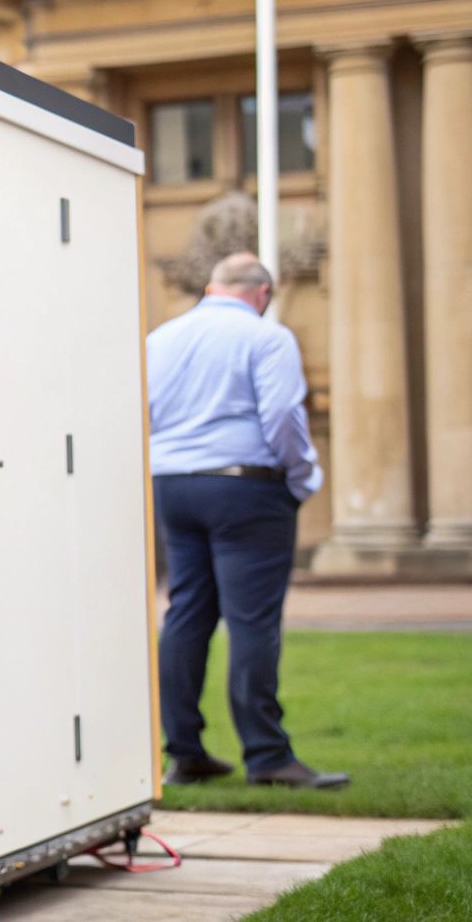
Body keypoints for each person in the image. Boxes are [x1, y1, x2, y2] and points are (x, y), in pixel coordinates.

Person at [147, 252, 347, 789]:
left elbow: (142, 411)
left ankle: (184, 751)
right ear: (263, 294)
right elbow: (282, 414)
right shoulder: (267, 337)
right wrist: (303, 477)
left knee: (186, 613)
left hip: (173, 484)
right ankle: (267, 755)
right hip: (245, 486)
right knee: (252, 621)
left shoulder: (160, 338)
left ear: (212, 287)